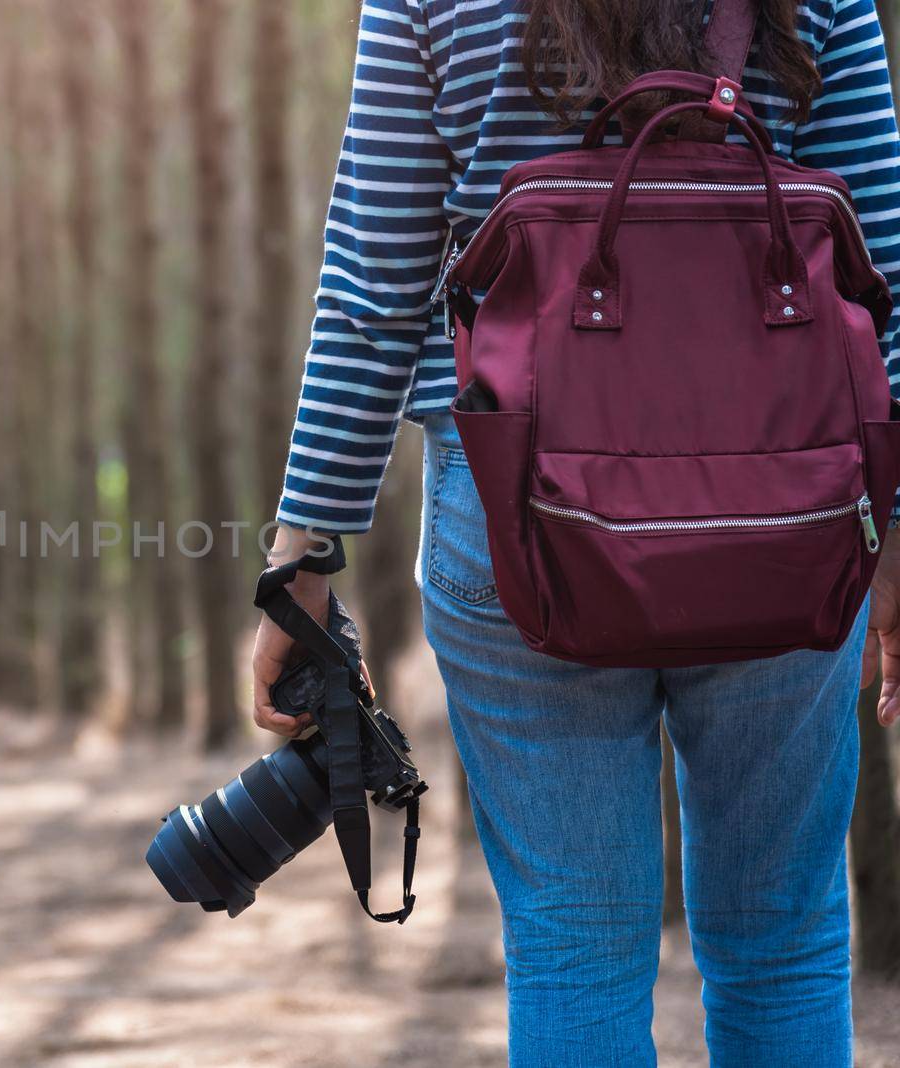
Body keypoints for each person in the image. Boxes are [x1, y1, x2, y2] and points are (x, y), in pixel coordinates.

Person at [251, 1, 900, 1065]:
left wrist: (303, 553)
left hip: (516, 516)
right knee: (781, 942)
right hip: (786, 506)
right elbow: (884, 278)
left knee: (571, 947)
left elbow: (375, 281)